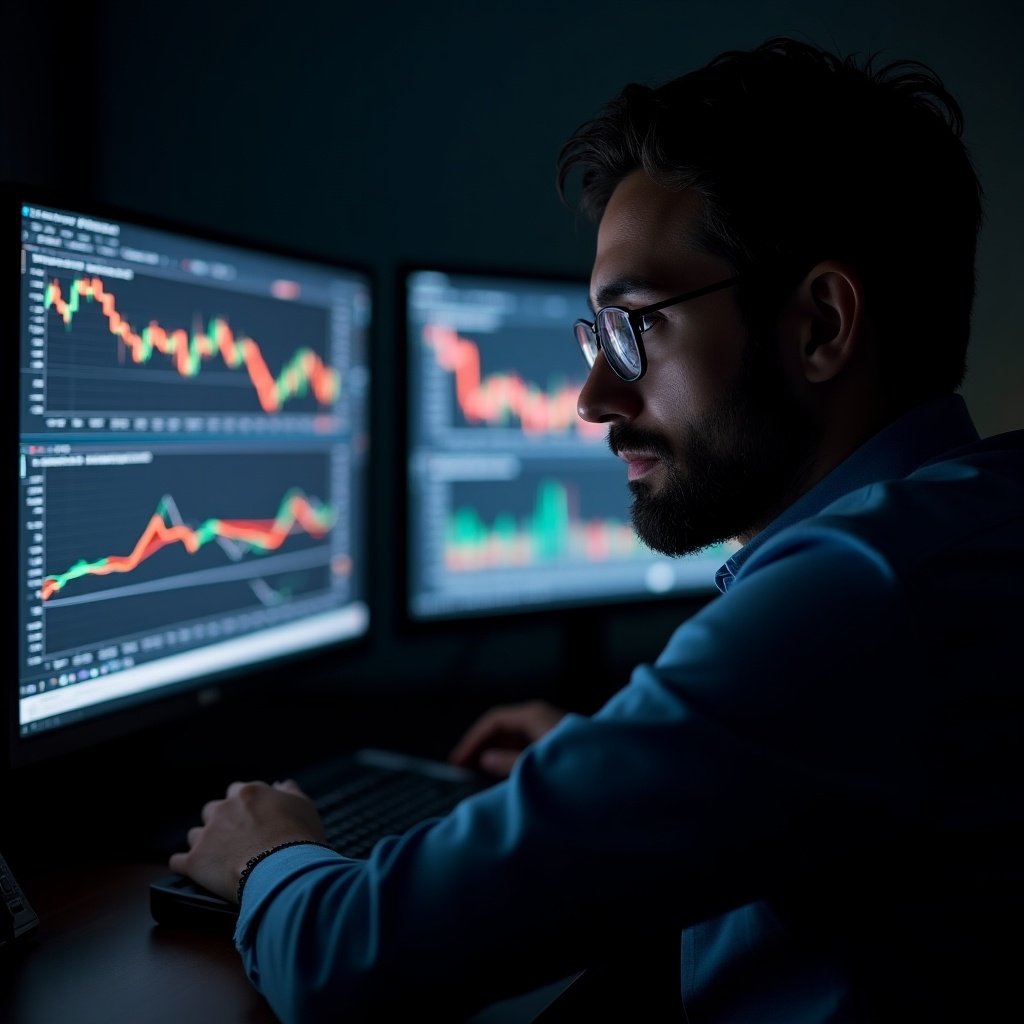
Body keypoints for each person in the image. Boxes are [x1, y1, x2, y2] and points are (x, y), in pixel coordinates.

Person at [169, 37, 1024, 1022]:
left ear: (822, 324)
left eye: (636, 324)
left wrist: (270, 852)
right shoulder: (968, 518)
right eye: (595, 334)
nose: (592, 394)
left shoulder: (853, 596)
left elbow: (353, 960)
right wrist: (632, 768)